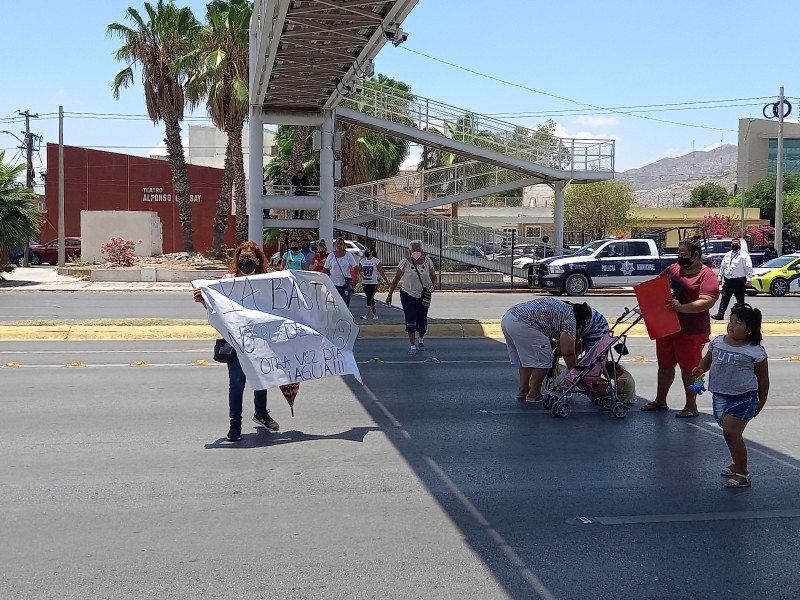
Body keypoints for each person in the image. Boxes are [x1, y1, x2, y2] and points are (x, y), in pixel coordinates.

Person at [193, 241, 279, 442]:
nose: (246, 261)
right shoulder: (227, 281)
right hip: (235, 341)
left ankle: (261, 414)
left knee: (261, 379)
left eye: (250, 258)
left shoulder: (265, 282)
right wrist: (203, 301)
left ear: (258, 260)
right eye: (242, 258)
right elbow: (217, 310)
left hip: (259, 340)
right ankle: (235, 424)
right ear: (237, 260)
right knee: (237, 384)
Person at [641, 237, 720, 418]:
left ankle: (691, 406)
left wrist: (682, 308)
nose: (680, 257)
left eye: (684, 255)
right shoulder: (673, 269)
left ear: (696, 255)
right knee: (665, 365)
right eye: (679, 253)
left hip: (691, 331)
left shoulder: (707, 275)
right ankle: (660, 400)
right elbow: (657, 286)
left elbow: (707, 301)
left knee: (691, 369)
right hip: (666, 327)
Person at [692, 303, 769, 488]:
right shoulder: (718, 341)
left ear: (749, 330)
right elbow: (708, 359)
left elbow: (763, 378)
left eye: (738, 323)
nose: (731, 325)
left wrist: (762, 400)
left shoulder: (755, 351)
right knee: (728, 433)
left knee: (731, 432)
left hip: (744, 397)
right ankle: (737, 463)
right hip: (720, 395)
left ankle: (743, 473)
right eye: (731, 321)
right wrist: (700, 369)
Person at [501, 298, 589, 402]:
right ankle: (534, 394)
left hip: (509, 317)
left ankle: (524, 390)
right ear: (581, 319)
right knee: (544, 362)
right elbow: (568, 353)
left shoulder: (561, 306)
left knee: (526, 360)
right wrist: (575, 373)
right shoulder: (570, 319)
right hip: (525, 324)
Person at [386, 239, 438, 355]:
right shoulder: (405, 263)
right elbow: (396, 279)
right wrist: (390, 294)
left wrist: (434, 284)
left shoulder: (427, 262)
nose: (416, 252)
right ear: (410, 251)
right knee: (410, 318)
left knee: (422, 318)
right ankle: (412, 345)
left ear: (422, 250)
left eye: (418, 249)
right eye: (414, 250)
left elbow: (433, 276)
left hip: (424, 294)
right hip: (407, 294)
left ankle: (421, 339)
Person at [712, 237, 752, 321]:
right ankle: (720, 315)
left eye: (736, 244)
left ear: (740, 245)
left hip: (739, 281)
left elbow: (748, 268)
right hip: (728, 281)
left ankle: (742, 317)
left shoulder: (744, 255)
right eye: (733, 244)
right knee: (724, 298)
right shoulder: (727, 255)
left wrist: (749, 279)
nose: (735, 245)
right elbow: (722, 267)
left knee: (740, 301)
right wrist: (719, 277)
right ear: (731, 245)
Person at [323, 237, 359, 307]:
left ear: (344, 245)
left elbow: (355, 267)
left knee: (346, 300)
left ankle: (345, 316)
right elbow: (325, 269)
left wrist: (356, 277)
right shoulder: (331, 255)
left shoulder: (348, 255)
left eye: (341, 244)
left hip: (346, 282)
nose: (339, 245)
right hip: (334, 282)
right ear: (335, 246)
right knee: (335, 301)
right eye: (337, 244)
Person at [359, 247, 390, 320]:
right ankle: (375, 315)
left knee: (369, 298)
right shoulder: (362, 261)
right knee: (371, 299)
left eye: (367, 251)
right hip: (365, 283)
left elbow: (381, 271)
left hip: (373, 283)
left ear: (372, 252)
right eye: (365, 251)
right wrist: (360, 274)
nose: (366, 252)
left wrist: (386, 281)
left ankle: (365, 315)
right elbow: (358, 270)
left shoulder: (376, 261)